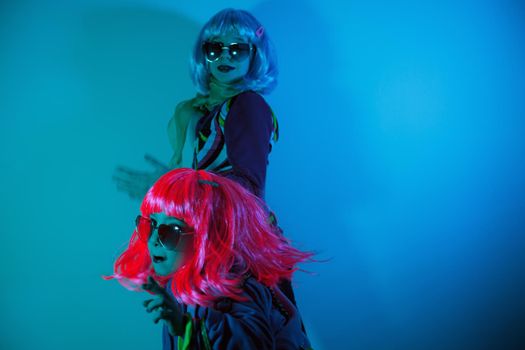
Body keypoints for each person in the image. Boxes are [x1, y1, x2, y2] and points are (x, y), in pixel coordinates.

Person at [107, 168, 312, 349]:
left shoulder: (234, 288)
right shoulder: (183, 285)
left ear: (206, 236)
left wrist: (187, 328)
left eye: (172, 231)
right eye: (150, 225)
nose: (153, 240)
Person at [113, 8, 279, 201]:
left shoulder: (247, 104)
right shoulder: (203, 110)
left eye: (237, 49)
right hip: (213, 224)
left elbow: (247, 192)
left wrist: (173, 187)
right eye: (215, 49)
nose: (224, 56)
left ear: (255, 55)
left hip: (238, 229)